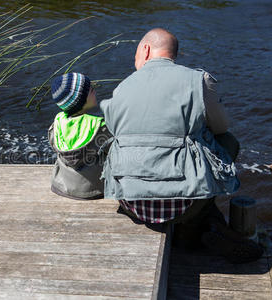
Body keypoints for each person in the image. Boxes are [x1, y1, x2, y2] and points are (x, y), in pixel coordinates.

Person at [99, 28, 263, 263]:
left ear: (145, 50)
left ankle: (202, 226)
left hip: (131, 202)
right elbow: (221, 128)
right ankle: (199, 226)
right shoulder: (198, 80)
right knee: (227, 143)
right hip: (184, 206)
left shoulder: (121, 88)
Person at [48, 72, 112, 200]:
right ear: (80, 100)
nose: (95, 91)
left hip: (61, 185)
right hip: (93, 189)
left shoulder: (56, 125)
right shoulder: (99, 126)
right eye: (91, 90)